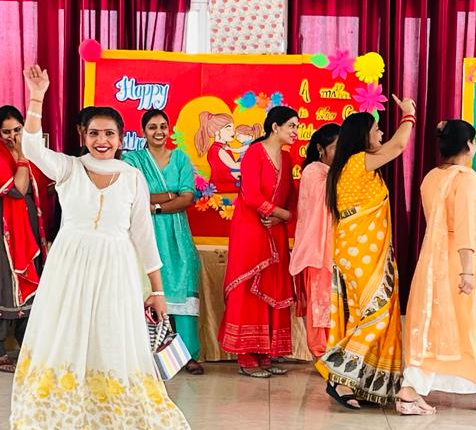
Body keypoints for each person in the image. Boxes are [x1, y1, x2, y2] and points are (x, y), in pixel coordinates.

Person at [10, 65, 190, 430]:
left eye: (109, 133)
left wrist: (157, 290)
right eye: (94, 133)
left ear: (121, 138)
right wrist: (37, 96)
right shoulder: (69, 169)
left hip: (116, 272)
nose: (102, 140)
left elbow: (144, 236)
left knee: (120, 347)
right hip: (68, 272)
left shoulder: (132, 178)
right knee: (62, 346)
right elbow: (32, 147)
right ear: (83, 136)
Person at [398, 120, 476, 412]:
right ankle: (415, 390)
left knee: (441, 326)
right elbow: (466, 227)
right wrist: (467, 271)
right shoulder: (467, 180)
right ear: (469, 145)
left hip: (434, 260)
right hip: (461, 261)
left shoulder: (431, 177)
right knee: (472, 324)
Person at [318, 98, 418, 412]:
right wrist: (409, 114)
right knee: (377, 314)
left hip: (363, 252)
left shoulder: (353, 167)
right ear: (362, 136)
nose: (381, 134)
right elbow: (398, 145)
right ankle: (340, 376)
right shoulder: (357, 162)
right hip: (361, 253)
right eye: (376, 130)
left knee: (364, 316)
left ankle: (361, 383)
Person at [218, 106, 299, 377]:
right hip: (250, 229)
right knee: (247, 288)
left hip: (274, 230)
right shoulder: (254, 153)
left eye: (297, 127)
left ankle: (265, 353)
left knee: (272, 287)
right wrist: (281, 214)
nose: (296, 132)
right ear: (275, 127)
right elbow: (251, 195)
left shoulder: (286, 159)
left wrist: (282, 217)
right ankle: (246, 356)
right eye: (291, 126)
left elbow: (291, 199)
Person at [124, 109, 204, 374]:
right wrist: (169, 195)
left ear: (169, 129)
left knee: (182, 288)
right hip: (143, 232)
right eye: (152, 127)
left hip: (176, 235)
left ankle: (187, 355)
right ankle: (146, 355)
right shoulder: (132, 159)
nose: (159, 132)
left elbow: (187, 198)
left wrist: (154, 206)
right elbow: (132, 195)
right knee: (146, 291)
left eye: (163, 127)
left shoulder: (180, 158)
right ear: (143, 131)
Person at [0, 105, 47, 372]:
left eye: (17, 130)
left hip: (25, 229)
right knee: (2, 285)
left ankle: (27, 347)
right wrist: (21, 158)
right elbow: (18, 189)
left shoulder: (29, 151)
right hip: (0, 231)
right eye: (6, 132)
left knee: (29, 282)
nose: (13, 136)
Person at [289, 122, 341, 358]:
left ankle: (332, 353)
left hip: (332, 248)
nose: (340, 153)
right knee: (320, 305)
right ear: (320, 149)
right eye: (336, 147)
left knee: (332, 302)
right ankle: (321, 353)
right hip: (318, 251)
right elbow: (326, 201)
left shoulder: (330, 171)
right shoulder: (314, 170)